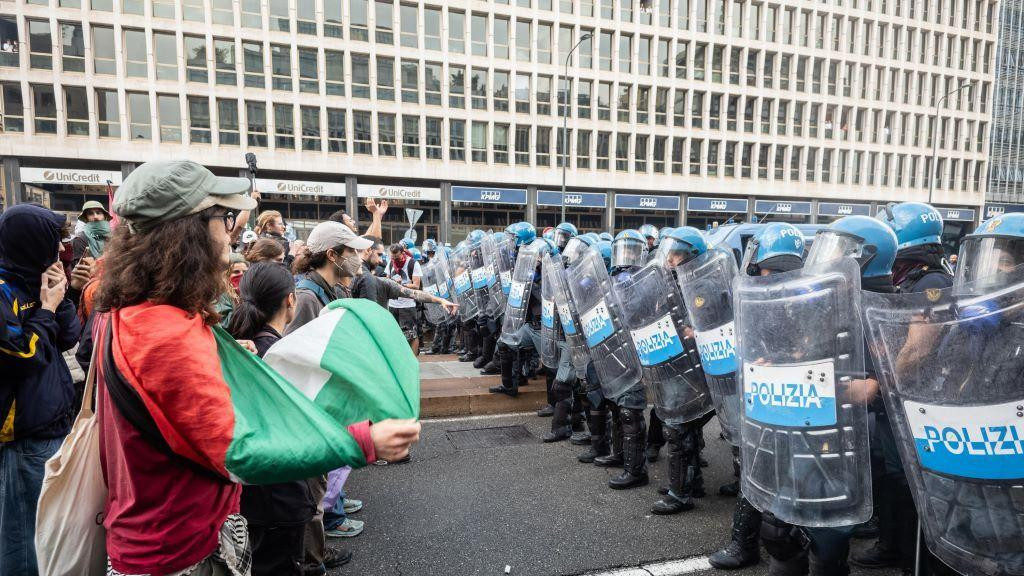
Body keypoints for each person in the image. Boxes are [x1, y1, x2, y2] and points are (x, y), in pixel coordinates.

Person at [93, 160, 419, 576]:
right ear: (187, 233)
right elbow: (240, 453)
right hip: (179, 551)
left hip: (149, 535)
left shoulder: (128, 311)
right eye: (222, 218)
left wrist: (224, 357)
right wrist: (363, 441)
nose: (229, 235)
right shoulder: (167, 334)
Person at [850, 203, 953, 574]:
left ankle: (907, 552)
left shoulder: (932, 283)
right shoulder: (908, 277)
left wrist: (879, 379)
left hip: (910, 400)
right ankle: (891, 541)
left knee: (907, 482)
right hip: (895, 399)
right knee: (890, 476)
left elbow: (918, 347)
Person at [709, 222, 805, 570]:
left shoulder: (788, 296)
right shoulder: (780, 292)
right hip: (779, 397)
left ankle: (746, 544)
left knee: (764, 469)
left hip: (785, 399)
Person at [0, 205, 82, 576]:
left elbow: (69, 336)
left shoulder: (37, 279)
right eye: (54, 242)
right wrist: (46, 310)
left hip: (54, 428)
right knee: (25, 538)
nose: (60, 250)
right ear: (32, 243)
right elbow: (22, 353)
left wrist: (61, 294)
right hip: (24, 438)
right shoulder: (4, 291)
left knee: (52, 535)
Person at [226, 261, 313, 576]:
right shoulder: (279, 355)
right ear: (291, 300)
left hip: (248, 491)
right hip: (279, 493)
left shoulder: (237, 346)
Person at [289, 221, 372, 332]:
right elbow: (290, 346)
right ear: (331, 255)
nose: (357, 256)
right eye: (352, 250)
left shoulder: (330, 290)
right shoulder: (306, 298)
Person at [385, 243, 424, 354]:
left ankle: (413, 361)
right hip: (393, 305)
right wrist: (391, 283)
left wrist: (401, 285)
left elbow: (416, 285)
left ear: (403, 253)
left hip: (407, 306)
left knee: (411, 335)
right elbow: (388, 280)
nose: (394, 260)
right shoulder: (390, 263)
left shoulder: (412, 263)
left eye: (396, 257)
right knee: (395, 334)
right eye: (392, 258)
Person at [215, 252, 248, 328]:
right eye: (236, 272)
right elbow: (224, 323)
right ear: (225, 274)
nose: (241, 274)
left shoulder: (247, 292)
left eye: (245, 272)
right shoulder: (220, 294)